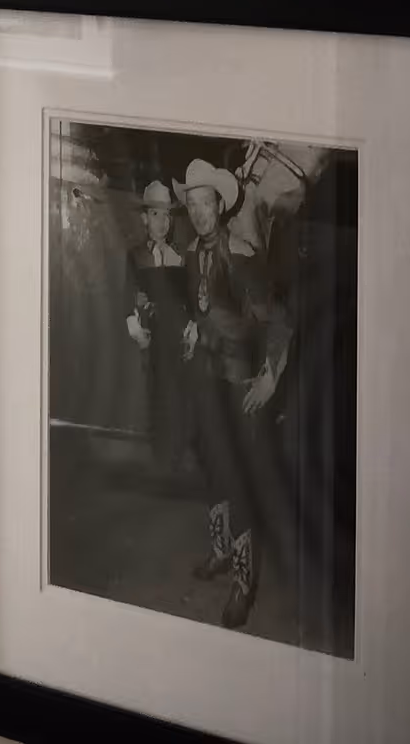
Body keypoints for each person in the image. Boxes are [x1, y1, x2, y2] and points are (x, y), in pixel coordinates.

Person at [176, 158, 291, 630]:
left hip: (240, 383)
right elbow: (204, 308)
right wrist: (191, 328)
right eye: (193, 204)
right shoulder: (188, 255)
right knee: (212, 465)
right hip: (205, 378)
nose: (200, 212)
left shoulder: (240, 254)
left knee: (241, 481)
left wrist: (270, 377)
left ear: (221, 206)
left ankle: (243, 585)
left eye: (207, 203)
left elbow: (280, 320)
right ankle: (221, 552)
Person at [125, 180, 191, 477]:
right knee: (154, 393)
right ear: (144, 218)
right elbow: (127, 298)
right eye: (155, 215)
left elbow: (188, 301)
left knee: (175, 395)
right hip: (149, 339)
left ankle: (175, 455)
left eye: (167, 216)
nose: (162, 222)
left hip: (175, 339)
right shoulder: (136, 255)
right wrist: (136, 330)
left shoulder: (181, 256)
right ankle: (159, 454)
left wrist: (189, 330)